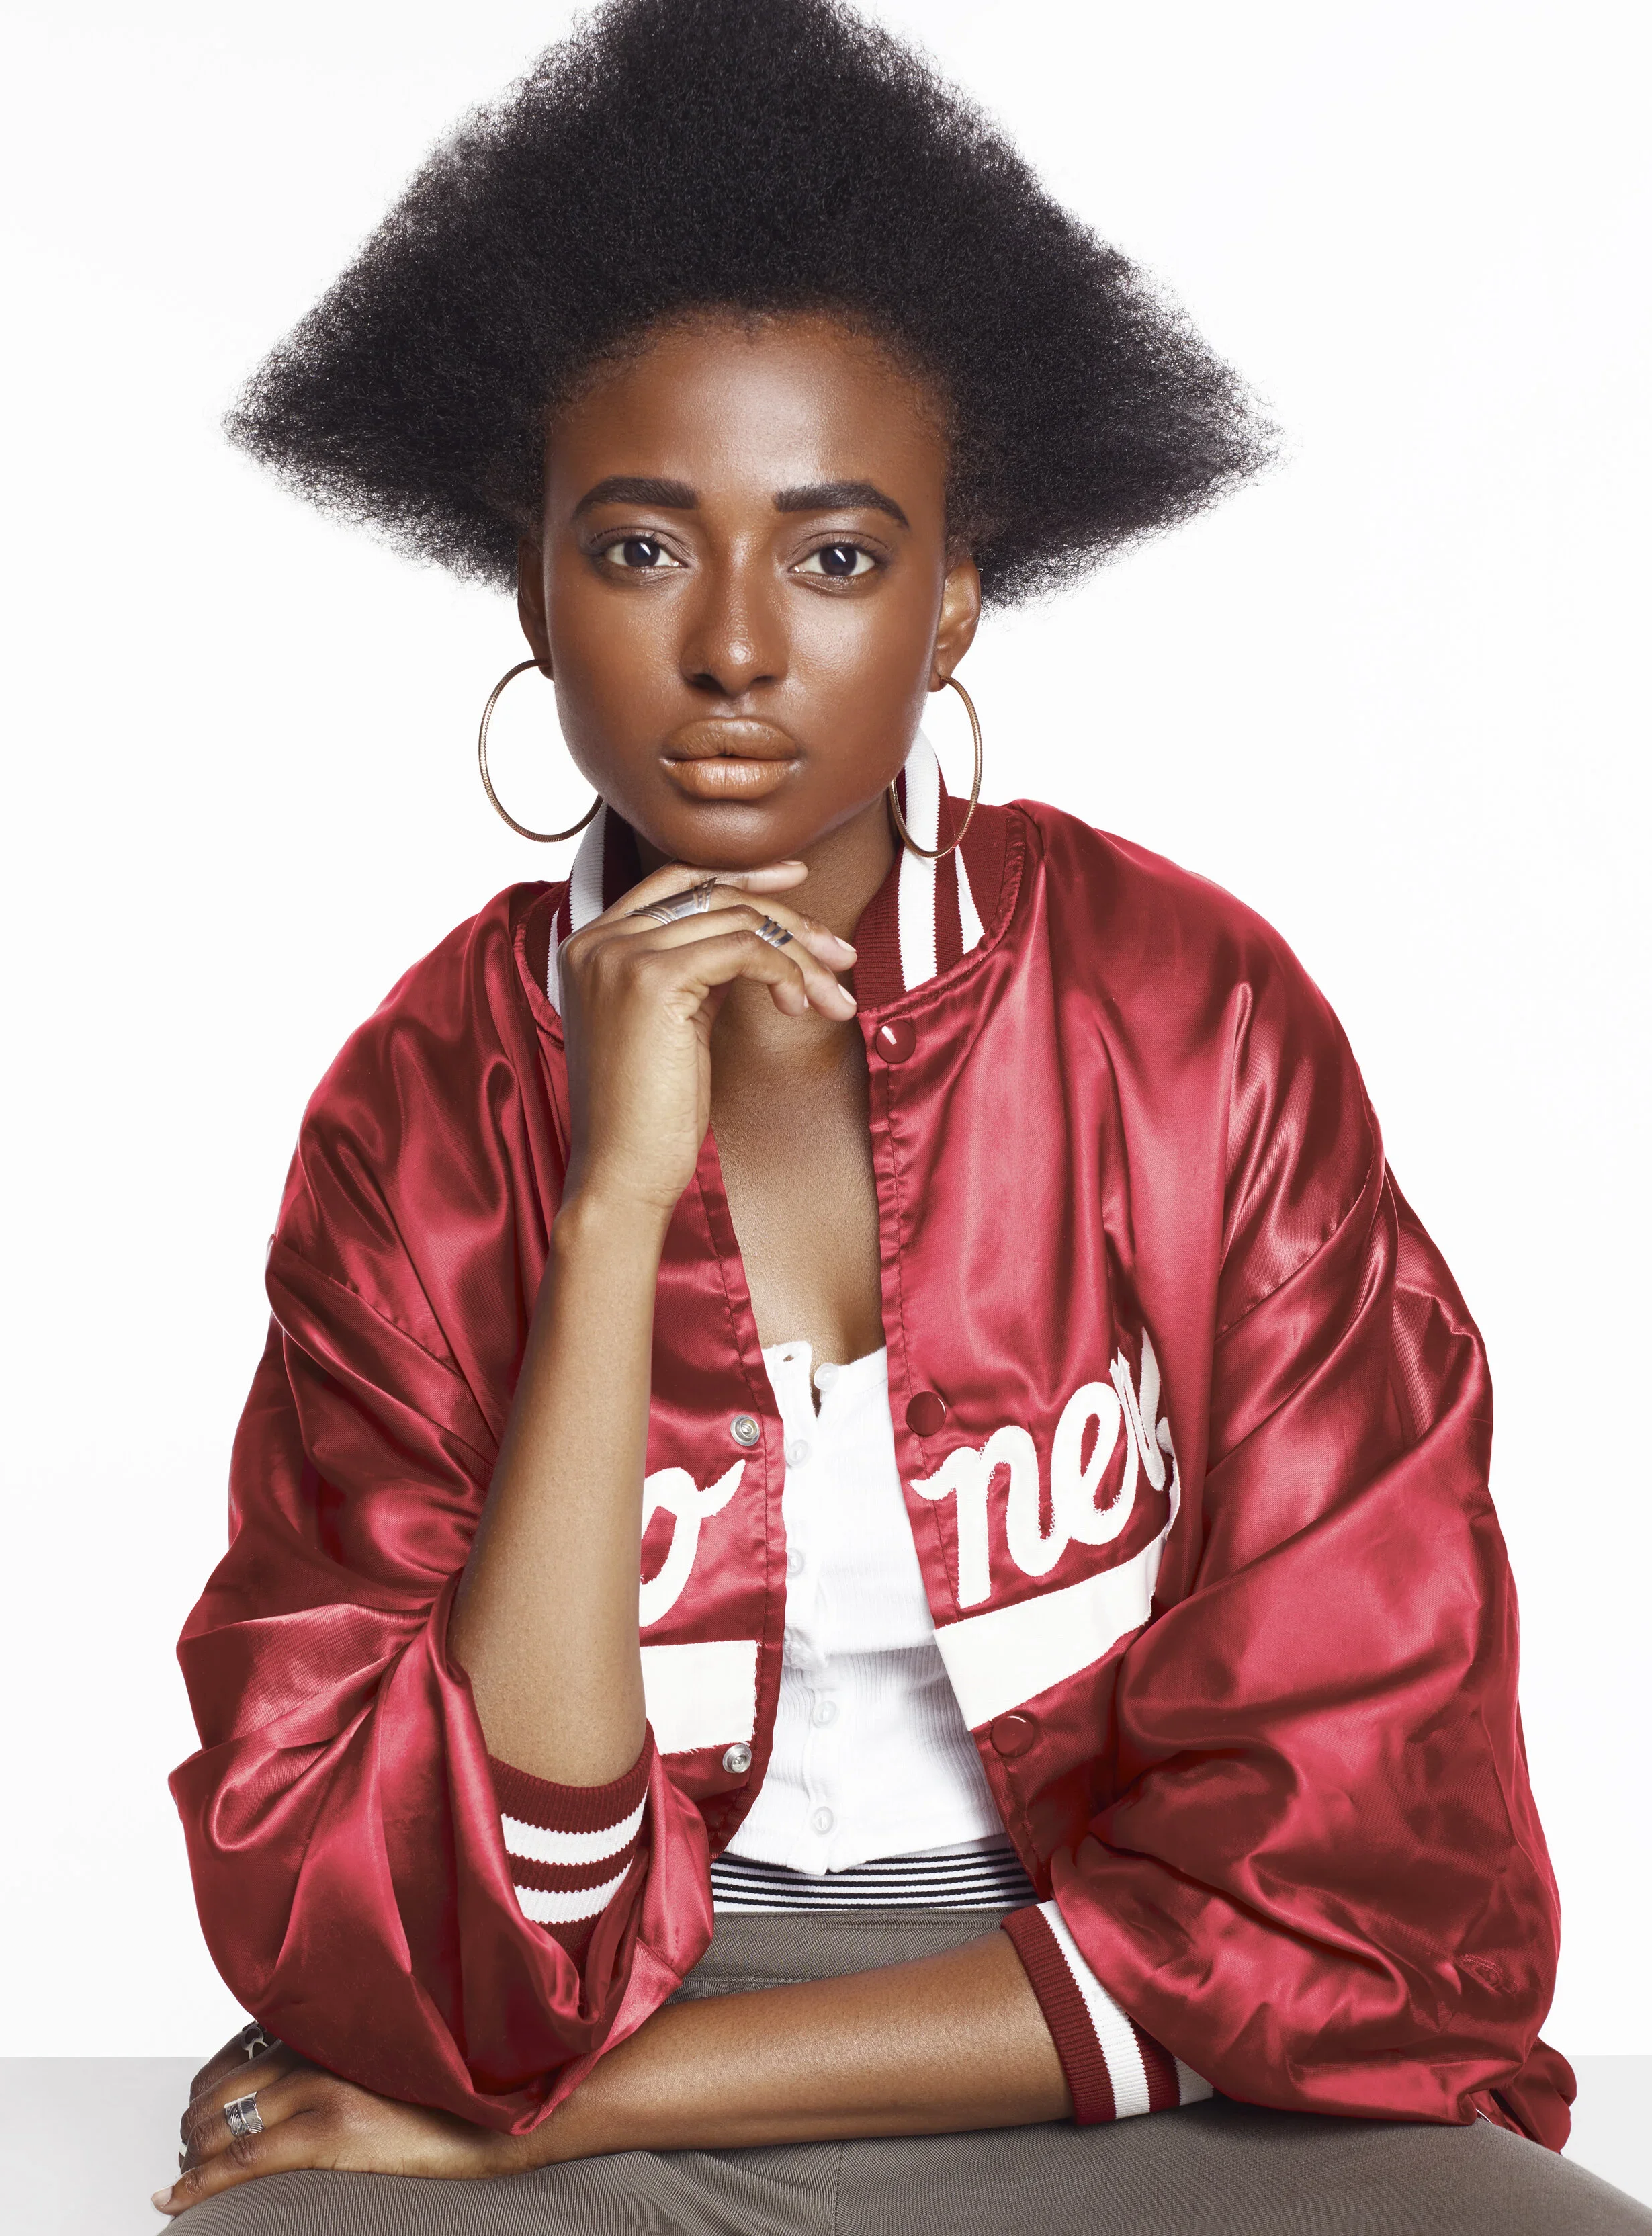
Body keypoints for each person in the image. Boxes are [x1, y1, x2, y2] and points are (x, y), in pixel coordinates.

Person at [159, 1, 1645, 2228]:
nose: (737, 647)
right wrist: (608, 1199)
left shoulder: (1183, 1019)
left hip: (1102, 2026)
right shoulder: (419, 1105)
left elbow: (1353, 1875)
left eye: (836, 555)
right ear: (531, 585)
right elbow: (458, 1964)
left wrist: (595, 2117)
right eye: (643, 548)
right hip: (625, 1987)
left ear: (955, 595)